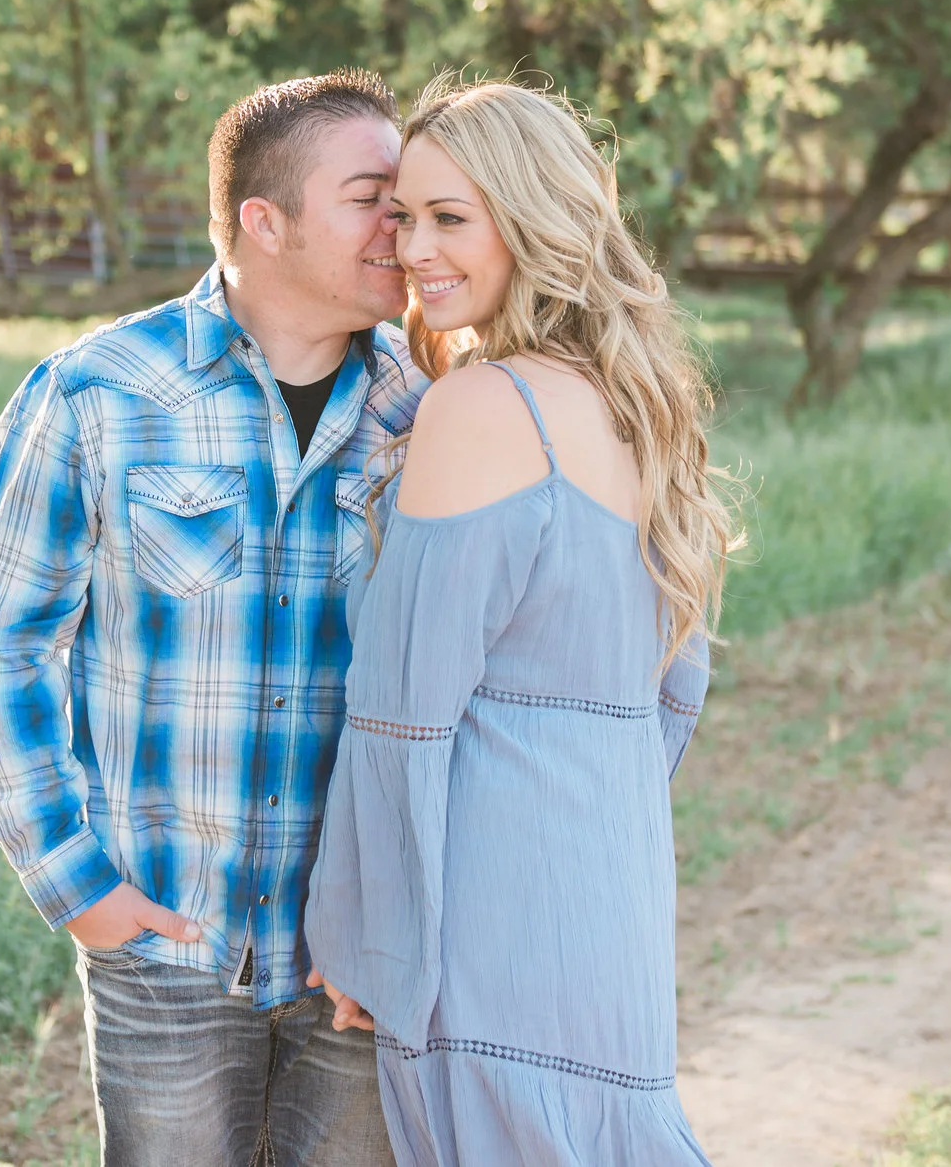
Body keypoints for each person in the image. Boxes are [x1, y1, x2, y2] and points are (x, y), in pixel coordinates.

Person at [0, 70, 429, 1166]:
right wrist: (80, 888)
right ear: (265, 221)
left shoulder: (427, 410)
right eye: (371, 197)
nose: (399, 228)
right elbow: (4, 648)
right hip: (167, 949)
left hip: (355, 955)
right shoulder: (95, 394)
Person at [303, 79, 736, 1165]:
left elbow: (403, 711)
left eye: (453, 217)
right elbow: (674, 690)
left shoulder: (483, 406)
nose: (413, 248)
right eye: (402, 215)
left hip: (490, 899)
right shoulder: (639, 404)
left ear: (535, 220)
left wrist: (367, 934)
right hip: (607, 886)